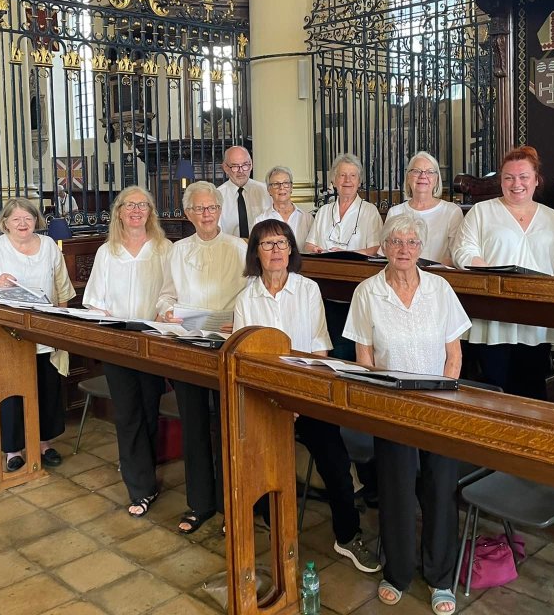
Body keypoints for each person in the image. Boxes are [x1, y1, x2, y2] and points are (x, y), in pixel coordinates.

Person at [233, 219, 380, 574]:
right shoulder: (246, 299)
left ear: (291, 250)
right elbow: (244, 360)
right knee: (257, 457)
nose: (276, 251)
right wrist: (277, 400)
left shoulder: (309, 290)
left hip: (305, 394)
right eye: (267, 244)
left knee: (334, 461)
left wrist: (298, 399)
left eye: (282, 243)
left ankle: (347, 535)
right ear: (255, 252)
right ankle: (276, 529)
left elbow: (319, 351)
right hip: (266, 398)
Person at [343, 214, 471, 614]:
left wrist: (444, 398)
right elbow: (364, 358)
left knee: (440, 490)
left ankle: (441, 577)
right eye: (396, 241)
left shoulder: (440, 288)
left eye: (412, 242)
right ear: (384, 246)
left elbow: (454, 353)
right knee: (396, 490)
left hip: (438, 405)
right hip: (392, 407)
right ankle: (397, 573)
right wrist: (379, 404)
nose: (404, 249)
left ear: (421, 248)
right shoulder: (367, 292)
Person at [156, 181, 248, 534]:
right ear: (188, 213)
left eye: (211, 208)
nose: (206, 214)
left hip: (226, 344)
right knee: (193, 426)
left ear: (220, 211)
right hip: (188, 345)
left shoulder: (239, 248)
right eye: (198, 209)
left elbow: (251, 293)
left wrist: (235, 318)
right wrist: (166, 311)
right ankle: (200, 503)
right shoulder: (177, 250)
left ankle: (230, 505)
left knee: (228, 427)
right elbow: (166, 294)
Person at [83, 186, 172, 517]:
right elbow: (94, 298)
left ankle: (144, 471)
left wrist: (163, 314)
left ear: (150, 212)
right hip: (117, 340)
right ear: (118, 212)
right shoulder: (108, 251)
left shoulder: (164, 249)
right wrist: (104, 318)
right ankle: (140, 487)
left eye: (143, 205)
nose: (136, 210)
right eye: (129, 205)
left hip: (151, 338)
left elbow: (171, 293)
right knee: (127, 412)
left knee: (148, 409)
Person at [452, 145, 554, 399]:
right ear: (501, 181)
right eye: (509, 177)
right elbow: (463, 250)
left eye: (524, 177)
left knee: (533, 392)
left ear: (536, 180)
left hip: (536, 318)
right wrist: (495, 278)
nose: (517, 184)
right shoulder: (482, 212)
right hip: (494, 316)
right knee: (496, 390)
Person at [0, 199, 75, 472]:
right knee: (12, 391)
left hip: (44, 330)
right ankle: (13, 450)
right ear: (5, 223)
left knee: (46, 388)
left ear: (36, 221)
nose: (22, 224)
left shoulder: (49, 245)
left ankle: (44, 443)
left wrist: (60, 323)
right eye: (16, 219)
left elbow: (62, 286)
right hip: (9, 334)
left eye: (28, 218)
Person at [386, 151, 463, 265]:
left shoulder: (452, 212)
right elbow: (387, 252)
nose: (423, 176)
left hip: (438, 273)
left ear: (436, 180)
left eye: (430, 172)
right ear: (408, 178)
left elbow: (456, 255)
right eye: (416, 171)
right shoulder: (395, 212)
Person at [305, 153, 382, 255]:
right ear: (334, 181)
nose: (347, 180)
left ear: (359, 182)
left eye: (353, 176)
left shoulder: (370, 212)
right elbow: (309, 245)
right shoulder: (323, 211)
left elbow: (376, 249)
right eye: (342, 175)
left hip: (357, 265)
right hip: (324, 264)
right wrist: (315, 249)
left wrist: (346, 254)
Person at [253, 165, 313, 250]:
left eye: (286, 183)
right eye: (276, 184)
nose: (281, 188)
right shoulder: (260, 221)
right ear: (269, 190)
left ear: (291, 187)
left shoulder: (307, 219)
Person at [217, 145, 269, 238]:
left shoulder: (266, 191)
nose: (241, 171)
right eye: (235, 166)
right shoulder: (217, 196)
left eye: (245, 165)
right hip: (229, 246)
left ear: (251, 164)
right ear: (225, 168)